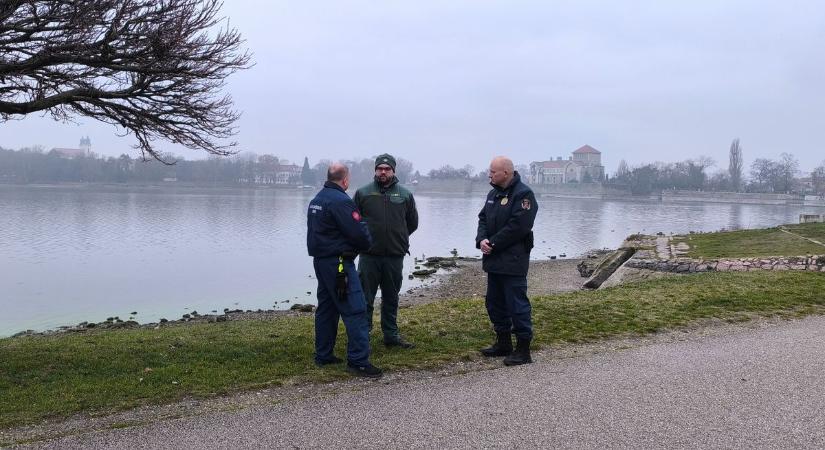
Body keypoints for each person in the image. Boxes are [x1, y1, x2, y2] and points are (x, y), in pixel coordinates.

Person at [307, 162, 382, 378]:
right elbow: (359, 234)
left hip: (321, 262)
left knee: (328, 309)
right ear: (345, 179)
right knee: (356, 309)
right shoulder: (341, 201)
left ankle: (324, 354)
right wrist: (364, 243)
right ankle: (358, 361)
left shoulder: (317, 199)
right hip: (339, 265)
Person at [475, 156, 538, 366]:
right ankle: (503, 343)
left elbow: (518, 227)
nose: (489, 175)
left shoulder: (523, 195)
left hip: (513, 261)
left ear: (506, 173)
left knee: (517, 305)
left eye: (493, 171)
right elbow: (482, 218)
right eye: (490, 171)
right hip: (494, 260)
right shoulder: (493, 194)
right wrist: (481, 240)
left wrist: (492, 243)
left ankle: (523, 350)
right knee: (494, 303)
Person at [354, 153, 419, 348]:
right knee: (365, 299)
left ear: (393, 171)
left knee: (391, 297)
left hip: (394, 256)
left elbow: (412, 223)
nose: (383, 172)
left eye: (387, 169)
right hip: (369, 256)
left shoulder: (405, 194)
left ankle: (391, 336)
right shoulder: (363, 193)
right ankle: (362, 335)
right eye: (380, 168)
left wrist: (398, 238)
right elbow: (353, 222)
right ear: (375, 170)